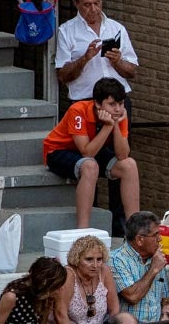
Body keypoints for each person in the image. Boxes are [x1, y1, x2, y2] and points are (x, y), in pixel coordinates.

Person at [43, 77, 139, 230]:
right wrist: (108, 126)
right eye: (112, 104)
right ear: (97, 104)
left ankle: (135, 228)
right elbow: (87, 152)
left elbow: (123, 155)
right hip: (60, 151)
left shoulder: (120, 115)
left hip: (94, 148)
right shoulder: (78, 110)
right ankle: (83, 230)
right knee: (89, 165)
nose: (118, 109)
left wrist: (115, 126)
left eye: (120, 104)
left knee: (129, 165)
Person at [56, 0, 138, 103]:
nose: (93, 9)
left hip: (118, 101)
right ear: (76, 3)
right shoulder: (66, 31)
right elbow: (63, 76)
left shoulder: (117, 28)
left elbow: (132, 72)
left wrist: (117, 61)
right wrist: (84, 59)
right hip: (85, 101)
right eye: (87, 5)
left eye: (97, 3)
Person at [111, 211, 169, 324]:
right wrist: (154, 269)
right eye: (155, 235)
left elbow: (166, 299)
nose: (160, 239)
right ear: (139, 239)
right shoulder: (116, 259)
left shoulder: (156, 258)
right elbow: (132, 296)